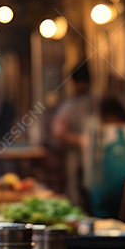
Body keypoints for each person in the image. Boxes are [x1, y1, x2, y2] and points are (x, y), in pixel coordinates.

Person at [51, 63, 96, 209]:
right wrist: (80, 140)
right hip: (83, 160)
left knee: (81, 199)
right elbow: (59, 132)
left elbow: (59, 132)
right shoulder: (97, 102)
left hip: (85, 161)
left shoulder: (72, 105)